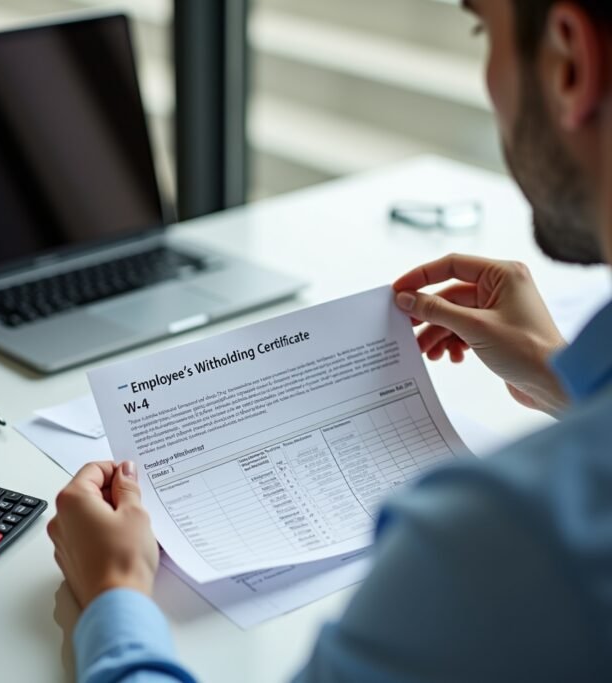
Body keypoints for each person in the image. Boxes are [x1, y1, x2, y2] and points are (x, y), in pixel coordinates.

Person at [48, 0, 612, 680]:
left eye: (480, 29)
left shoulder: (496, 541)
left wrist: (112, 596)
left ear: (570, 61)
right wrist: (561, 377)